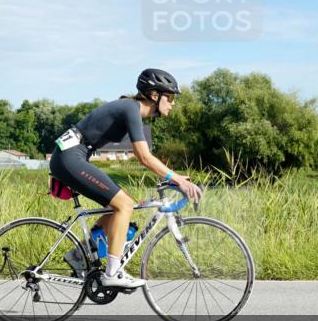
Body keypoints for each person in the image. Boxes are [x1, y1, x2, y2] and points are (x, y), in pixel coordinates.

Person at [49, 69, 203, 289]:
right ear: (154, 95)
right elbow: (143, 156)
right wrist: (177, 178)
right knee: (124, 205)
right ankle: (112, 272)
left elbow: (142, 156)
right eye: (170, 97)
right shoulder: (131, 108)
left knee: (119, 204)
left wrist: (171, 176)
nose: (173, 103)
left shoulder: (131, 109)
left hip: (72, 156)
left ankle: (79, 254)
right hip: (69, 157)